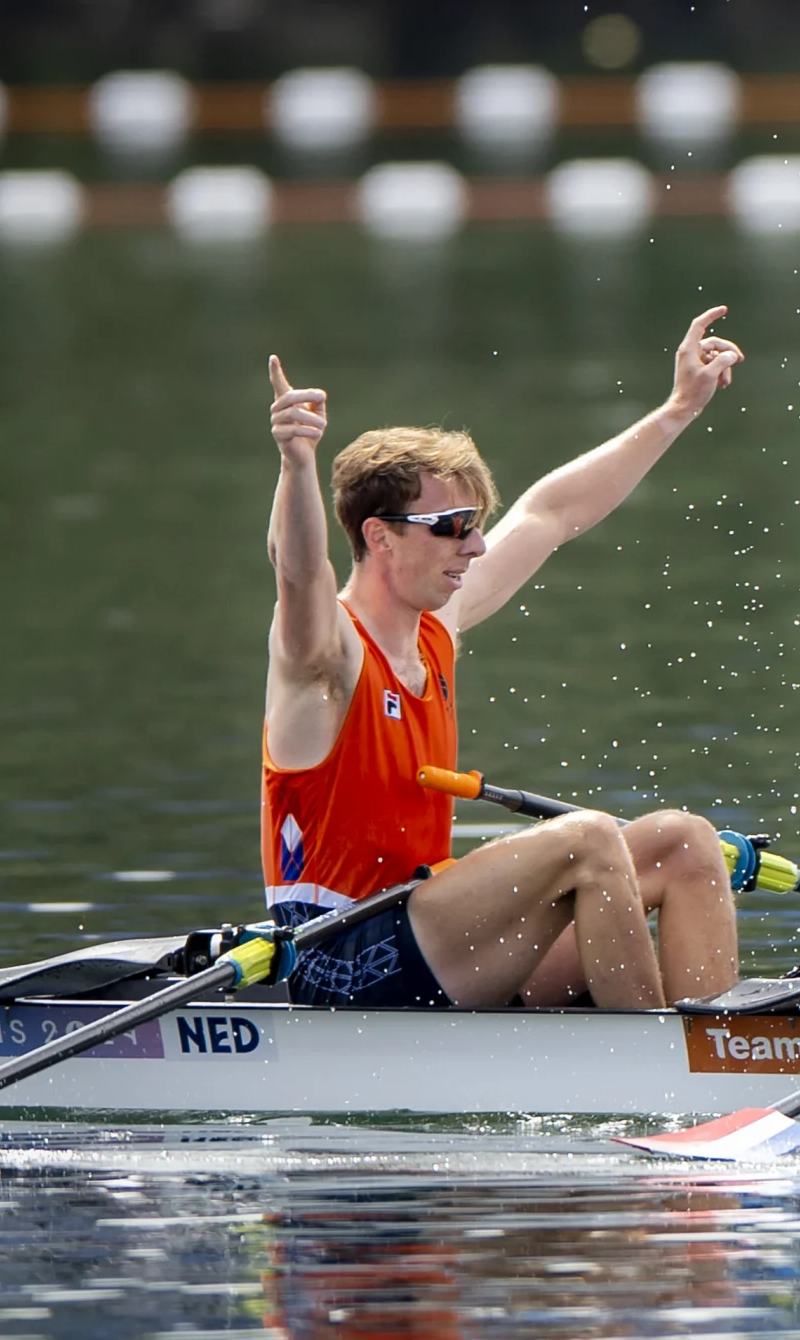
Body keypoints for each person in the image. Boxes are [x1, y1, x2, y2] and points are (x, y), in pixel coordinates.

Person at [262, 310, 747, 1011]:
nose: (476, 547)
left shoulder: (436, 625)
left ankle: (723, 1059)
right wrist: (296, 463)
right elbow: (297, 573)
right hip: (337, 956)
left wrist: (676, 410)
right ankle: (660, 1077)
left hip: (432, 936)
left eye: (477, 526)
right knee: (586, 840)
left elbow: (551, 513)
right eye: (454, 528)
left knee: (686, 843)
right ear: (382, 537)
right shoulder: (324, 657)